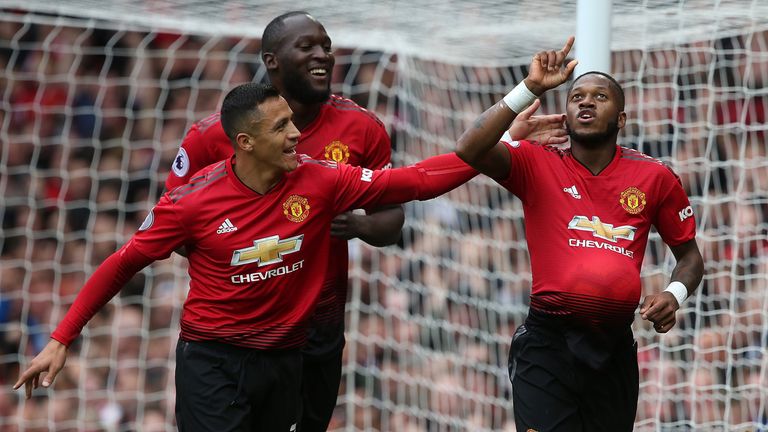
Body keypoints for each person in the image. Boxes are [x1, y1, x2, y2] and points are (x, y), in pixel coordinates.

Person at [13, 45, 574, 430]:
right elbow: (123, 263)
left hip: (286, 360)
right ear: (244, 143)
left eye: (292, 121)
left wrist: (515, 112)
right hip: (214, 360)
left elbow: (422, 180)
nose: (295, 134)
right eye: (280, 127)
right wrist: (62, 337)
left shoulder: (320, 179)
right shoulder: (191, 203)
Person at [163, 11, 569, 431]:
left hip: (315, 325)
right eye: (308, 47)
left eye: (327, 47)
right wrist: (250, 245)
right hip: (227, 337)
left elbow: (405, 201)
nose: (323, 55)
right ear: (271, 60)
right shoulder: (210, 136)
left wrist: (354, 226)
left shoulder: (355, 134)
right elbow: (169, 229)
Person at [455, 38, 705, 431]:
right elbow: (468, 149)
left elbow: (690, 258)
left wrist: (673, 295)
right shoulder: (535, 162)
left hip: (614, 349)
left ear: (621, 119)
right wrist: (530, 90)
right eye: (576, 97)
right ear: (566, 115)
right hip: (547, 345)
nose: (585, 102)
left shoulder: (654, 177)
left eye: (599, 96)